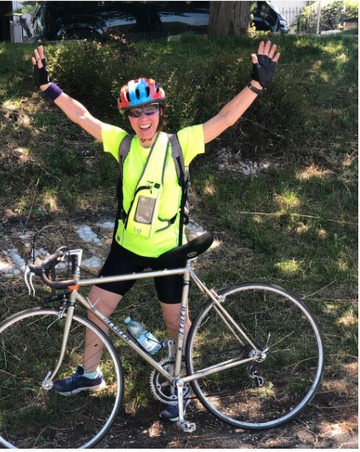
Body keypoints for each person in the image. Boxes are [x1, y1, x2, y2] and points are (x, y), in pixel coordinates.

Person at [32, 41, 280, 421]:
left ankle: (181, 387)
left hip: (169, 250)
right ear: (128, 117)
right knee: (97, 309)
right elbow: (83, 117)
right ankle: (90, 374)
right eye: (135, 113)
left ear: (161, 112)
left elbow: (225, 118)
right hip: (127, 246)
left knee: (175, 322)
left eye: (150, 110)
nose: (143, 118)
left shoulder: (181, 143)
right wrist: (49, 88)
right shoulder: (123, 144)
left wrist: (255, 86)